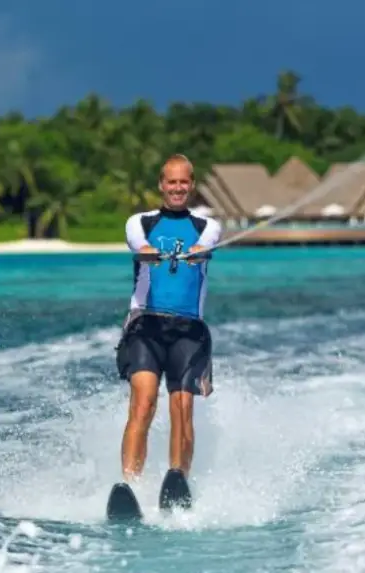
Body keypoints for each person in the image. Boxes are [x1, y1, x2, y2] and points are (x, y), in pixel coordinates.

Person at [115, 153, 222, 486]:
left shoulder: (206, 226)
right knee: (143, 403)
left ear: (192, 185)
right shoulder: (140, 222)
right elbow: (138, 244)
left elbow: (208, 242)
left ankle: (178, 481)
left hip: (189, 330)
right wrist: (149, 252)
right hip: (146, 326)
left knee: (182, 406)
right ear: (161, 185)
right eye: (171, 182)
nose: (178, 188)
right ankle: (130, 485)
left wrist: (198, 252)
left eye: (183, 182)